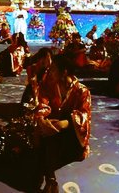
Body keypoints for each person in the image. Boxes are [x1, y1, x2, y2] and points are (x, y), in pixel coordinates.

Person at [30, 44, 92, 192]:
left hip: (72, 133)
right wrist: (42, 119)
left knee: (46, 143)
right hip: (52, 128)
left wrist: (62, 124)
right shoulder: (50, 84)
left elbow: (84, 118)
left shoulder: (82, 91)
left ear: (64, 72)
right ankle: (51, 179)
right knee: (45, 136)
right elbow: (43, 102)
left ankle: (47, 176)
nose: (49, 72)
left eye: (52, 69)